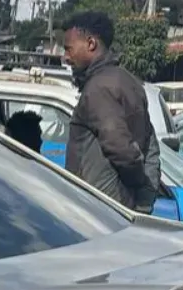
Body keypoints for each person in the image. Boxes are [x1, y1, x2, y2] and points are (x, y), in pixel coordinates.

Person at [60, 11, 161, 213]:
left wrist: (137, 182)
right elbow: (150, 146)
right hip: (120, 209)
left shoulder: (98, 89)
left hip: (95, 207)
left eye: (69, 49)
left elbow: (121, 149)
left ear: (90, 44)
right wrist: (143, 200)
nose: (66, 57)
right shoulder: (130, 82)